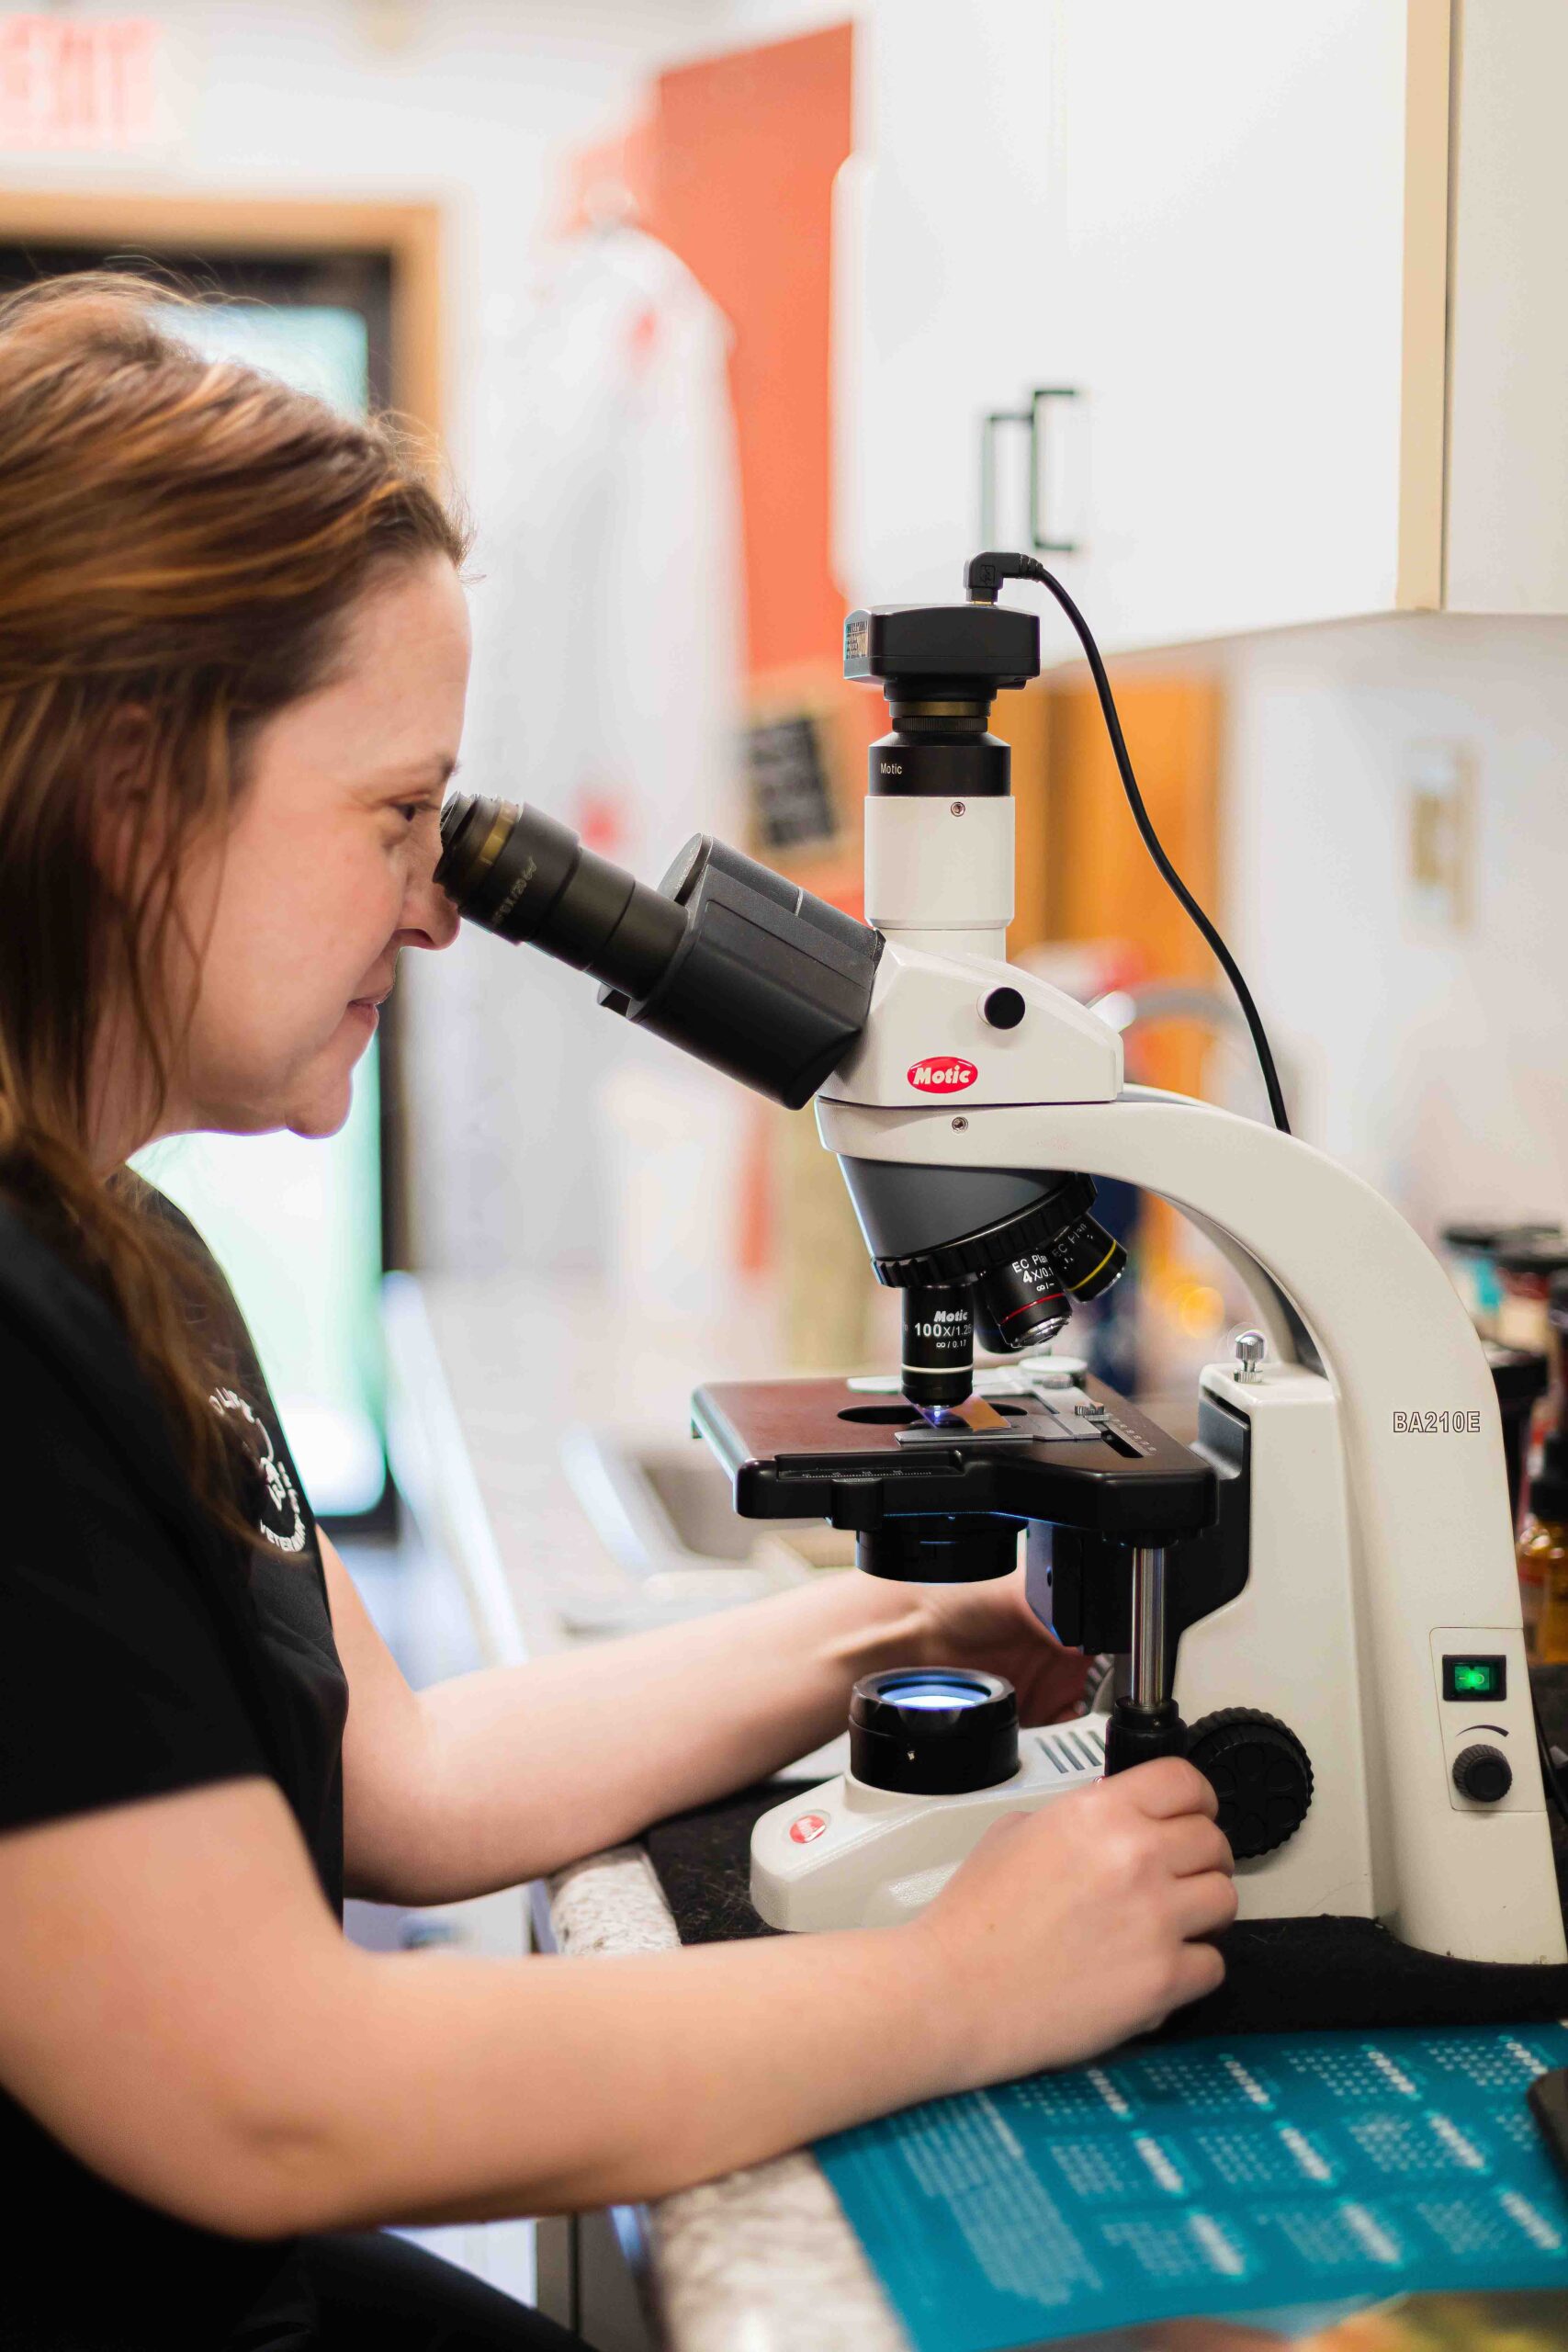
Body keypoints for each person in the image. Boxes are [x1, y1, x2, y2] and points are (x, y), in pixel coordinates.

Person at [0, 275, 1236, 2352]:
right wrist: (965, 1984)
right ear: (132, 790)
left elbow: (393, 1775)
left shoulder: (121, 1255)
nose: (430, 903)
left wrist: (907, 1628)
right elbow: (272, 2093)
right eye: (395, 813)